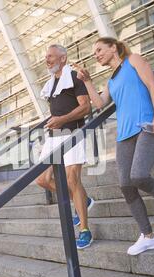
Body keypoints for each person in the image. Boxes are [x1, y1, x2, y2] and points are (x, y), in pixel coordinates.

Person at [73, 37, 154, 255]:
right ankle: (148, 236)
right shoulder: (111, 81)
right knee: (125, 184)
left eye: (99, 49)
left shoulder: (133, 60)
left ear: (114, 47)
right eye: (94, 52)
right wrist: (86, 81)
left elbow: (152, 84)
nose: (96, 55)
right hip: (124, 135)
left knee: (139, 175)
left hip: (146, 125)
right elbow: (99, 103)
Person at [35, 44, 95, 249]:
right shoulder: (51, 83)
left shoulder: (75, 77)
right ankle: (83, 201)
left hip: (72, 133)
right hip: (54, 136)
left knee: (72, 179)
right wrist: (55, 121)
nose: (47, 59)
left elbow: (86, 107)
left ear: (63, 58)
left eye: (51, 56)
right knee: (42, 179)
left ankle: (85, 230)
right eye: (46, 56)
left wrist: (61, 120)